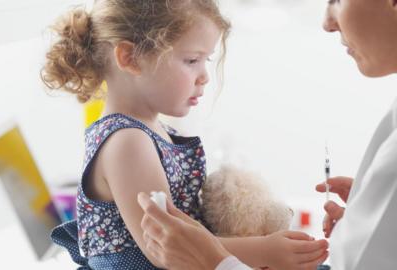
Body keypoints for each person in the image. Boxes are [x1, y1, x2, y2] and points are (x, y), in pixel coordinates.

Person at [41, 0, 328, 269]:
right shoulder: (128, 142)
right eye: (192, 60)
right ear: (130, 58)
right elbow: (167, 250)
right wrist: (265, 251)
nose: (204, 76)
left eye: (206, 60)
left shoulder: (151, 129)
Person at [138, 0, 397, 269]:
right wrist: (367, 223)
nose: (327, 23)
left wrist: (213, 261)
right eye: (191, 60)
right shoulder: (131, 138)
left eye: (338, 0)